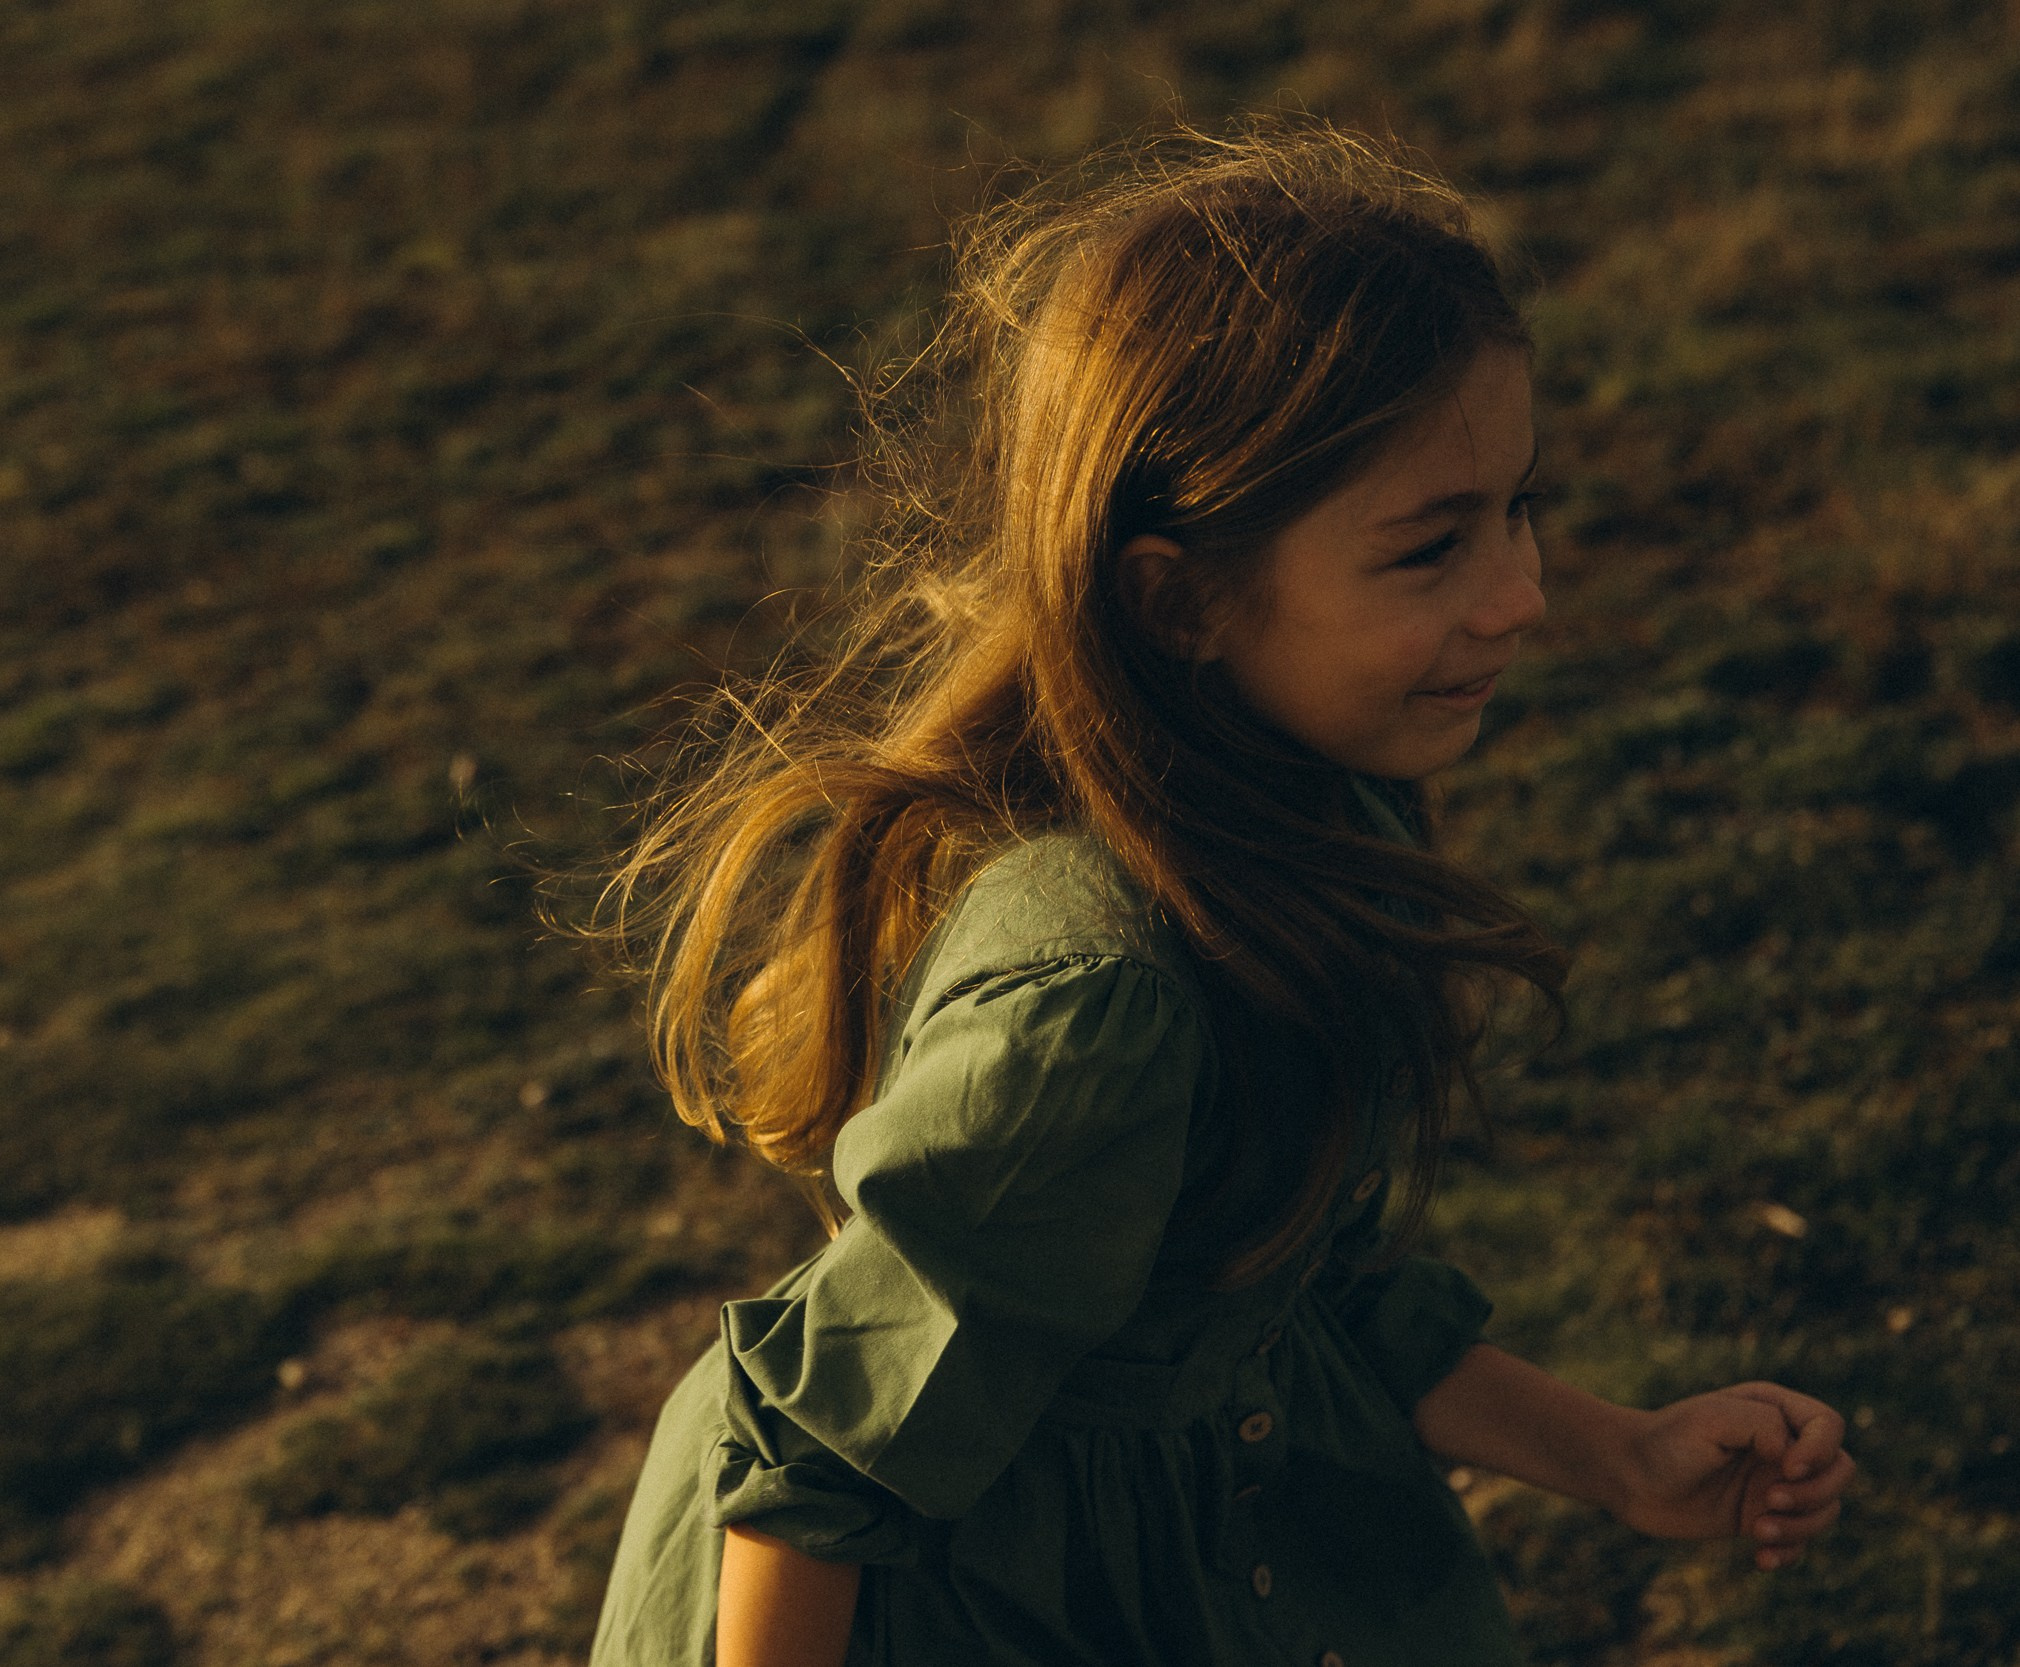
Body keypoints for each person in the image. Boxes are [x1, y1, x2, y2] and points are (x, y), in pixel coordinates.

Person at [585, 120, 1855, 1667]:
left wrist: (1614, 1455)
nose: (1522, 593)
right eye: (1428, 548)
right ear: (1178, 595)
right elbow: (823, 1457)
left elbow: (1282, 1289)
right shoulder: (1097, 1001)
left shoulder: (1305, 803)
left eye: (1520, 506)